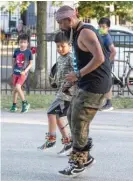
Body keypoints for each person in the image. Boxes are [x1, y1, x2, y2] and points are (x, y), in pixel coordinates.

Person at [55, 5, 112, 177]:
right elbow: (82, 58)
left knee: (79, 121)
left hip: (95, 85)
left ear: (70, 19)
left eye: (60, 22)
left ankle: (78, 162)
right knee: (72, 114)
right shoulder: (77, 31)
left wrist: (78, 74)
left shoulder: (85, 32)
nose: (59, 26)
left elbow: (100, 58)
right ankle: (85, 158)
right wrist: (74, 79)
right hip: (86, 83)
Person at [38, 31, 76, 155]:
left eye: (62, 46)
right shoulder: (61, 58)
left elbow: (77, 73)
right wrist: (54, 81)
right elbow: (58, 73)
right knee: (59, 116)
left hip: (66, 93)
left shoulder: (71, 57)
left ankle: (51, 139)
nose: (59, 49)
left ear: (70, 45)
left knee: (50, 112)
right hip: (60, 92)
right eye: (57, 46)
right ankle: (68, 141)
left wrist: (69, 84)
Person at [10, 33, 32, 113]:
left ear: (27, 43)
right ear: (18, 42)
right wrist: (12, 71)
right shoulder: (16, 51)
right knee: (15, 90)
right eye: (21, 42)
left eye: (24, 42)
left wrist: (25, 71)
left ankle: (25, 103)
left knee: (18, 87)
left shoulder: (29, 52)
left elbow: (30, 64)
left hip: (23, 74)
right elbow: (13, 61)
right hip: (15, 73)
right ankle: (14, 105)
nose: (23, 44)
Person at [98, 17, 116, 111]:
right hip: (102, 62)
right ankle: (102, 102)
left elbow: (113, 51)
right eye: (100, 26)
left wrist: (108, 62)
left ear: (108, 27)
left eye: (103, 26)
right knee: (102, 82)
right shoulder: (101, 35)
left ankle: (109, 104)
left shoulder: (107, 37)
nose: (101, 28)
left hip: (106, 63)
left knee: (107, 82)